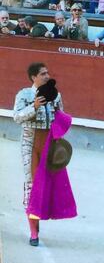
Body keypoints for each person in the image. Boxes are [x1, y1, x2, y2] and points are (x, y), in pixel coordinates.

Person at [12, 63, 63, 246]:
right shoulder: (24, 94)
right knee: (33, 186)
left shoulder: (55, 95)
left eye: (48, 72)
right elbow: (16, 117)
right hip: (30, 144)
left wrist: (61, 121)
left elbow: (61, 119)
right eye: (43, 73)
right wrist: (33, 106)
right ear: (33, 77)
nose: (47, 76)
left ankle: (37, 219)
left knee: (47, 186)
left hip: (49, 144)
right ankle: (34, 231)